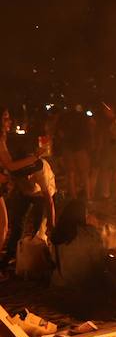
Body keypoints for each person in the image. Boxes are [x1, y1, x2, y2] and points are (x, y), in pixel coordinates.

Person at [0, 108, 56, 268]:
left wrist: (52, 226)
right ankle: (10, 255)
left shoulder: (40, 170)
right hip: (25, 192)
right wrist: (35, 156)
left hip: (38, 195)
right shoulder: (28, 166)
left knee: (10, 224)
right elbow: (10, 166)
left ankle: (22, 252)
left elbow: (49, 199)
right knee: (5, 225)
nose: (9, 122)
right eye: (5, 118)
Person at [49, 199, 105, 289]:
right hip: (84, 282)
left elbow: (53, 260)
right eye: (86, 214)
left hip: (60, 282)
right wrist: (95, 229)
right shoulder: (89, 233)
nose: (87, 216)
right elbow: (99, 261)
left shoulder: (58, 233)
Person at [94, 103, 116, 200]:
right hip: (107, 150)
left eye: (108, 109)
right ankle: (106, 194)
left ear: (112, 110)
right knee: (106, 172)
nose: (106, 111)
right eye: (105, 110)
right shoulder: (104, 121)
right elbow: (102, 136)